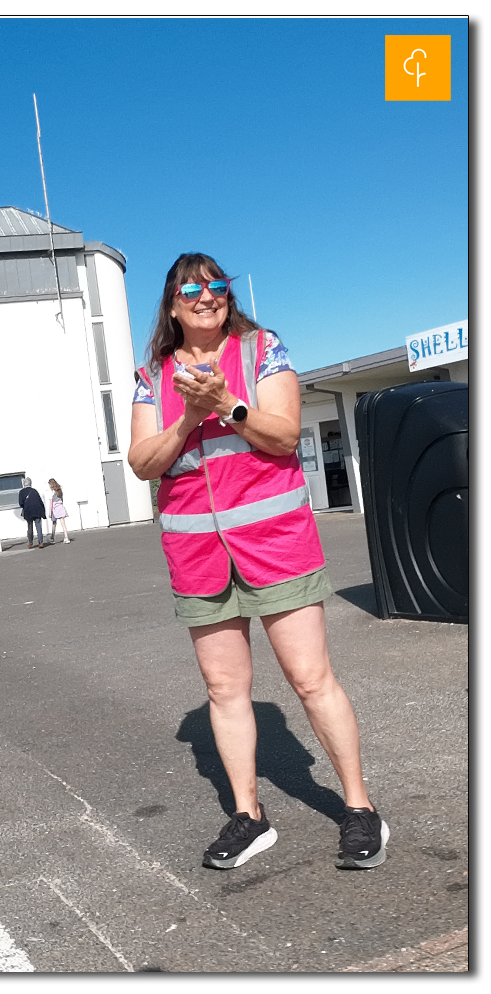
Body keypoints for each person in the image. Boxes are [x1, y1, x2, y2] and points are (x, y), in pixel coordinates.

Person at [127, 251, 388, 872]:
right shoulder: (151, 377)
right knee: (224, 689)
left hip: (275, 542)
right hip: (197, 553)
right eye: (190, 288)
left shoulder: (261, 349)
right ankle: (249, 816)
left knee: (309, 678)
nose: (206, 295)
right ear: (171, 305)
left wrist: (226, 406)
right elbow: (142, 463)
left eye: (216, 285)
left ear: (228, 296)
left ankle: (360, 809)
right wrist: (188, 416)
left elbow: (285, 434)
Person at [17, 477, 46, 549]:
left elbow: (21, 503)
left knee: (30, 527)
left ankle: (30, 542)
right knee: (38, 526)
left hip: (28, 511)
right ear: (30, 483)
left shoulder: (21, 492)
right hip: (37, 510)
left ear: (24, 484)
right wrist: (43, 512)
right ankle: (40, 542)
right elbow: (40, 501)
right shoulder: (34, 491)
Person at [47, 479, 71, 544]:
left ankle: (52, 538)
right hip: (60, 507)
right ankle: (66, 537)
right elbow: (62, 500)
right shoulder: (59, 490)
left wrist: (50, 512)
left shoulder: (51, 492)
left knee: (54, 524)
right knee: (63, 524)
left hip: (54, 509)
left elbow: (51, 503)